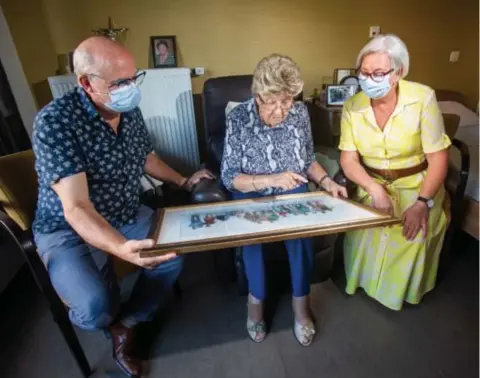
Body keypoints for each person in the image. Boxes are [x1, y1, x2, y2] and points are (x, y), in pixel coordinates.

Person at [32, 36, 214, 377]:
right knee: (94, 307)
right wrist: (120, 248)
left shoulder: (127, 111)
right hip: (67, 227)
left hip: (125, 212)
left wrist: (182, 180)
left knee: (172, 253)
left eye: (134, 78)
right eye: (120, 82)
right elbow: (76, 207)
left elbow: (146, 157)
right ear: (87, 83)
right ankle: (108, 320)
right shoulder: (55, 122)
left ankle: (127, 324)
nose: (131, 88)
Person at [221, 53, 347, 346]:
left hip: (291, 187)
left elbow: (307, 160)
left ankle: (301, 307)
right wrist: (270, 180)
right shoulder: (239, 117)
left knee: (301, 239)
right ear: (257, 94)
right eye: (272, 101)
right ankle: (256, 307)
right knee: (253, 241)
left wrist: (327, 182)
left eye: (287, 100)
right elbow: (229, 176)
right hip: (250, 189)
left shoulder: (300, 113)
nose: (280, 110)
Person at [339, 34, 451, 311]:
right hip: (371, 181)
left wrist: (423, 203)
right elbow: (348, 158)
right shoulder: (353, 107)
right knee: (363, 232)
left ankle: (402, 293)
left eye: (378, 73)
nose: (369, 80)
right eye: (364, 73)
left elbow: (438, 159)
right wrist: (374, 189)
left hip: (418, 184)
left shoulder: (422, 98)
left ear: (398, 72)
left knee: (413, 233)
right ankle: (364, 284)